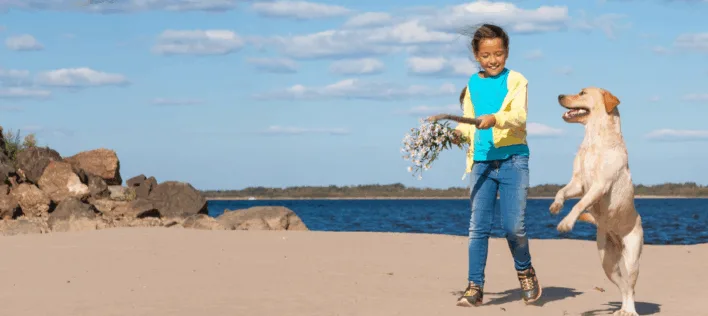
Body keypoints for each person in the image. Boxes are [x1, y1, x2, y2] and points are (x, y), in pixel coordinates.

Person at [451, 23, 541, 307]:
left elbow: (519, 116)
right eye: (487, 55)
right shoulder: (472, 84)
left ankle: (525, 270)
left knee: (514, 227)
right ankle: (474, 286)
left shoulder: (517, 80)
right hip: (481, 164)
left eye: (498, 53)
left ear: (506, 53)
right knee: (478, 227)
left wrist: (496, 118)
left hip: (514, 160)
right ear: (477, 55)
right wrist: (458, 133)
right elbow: (469, 120)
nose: (493, 60)